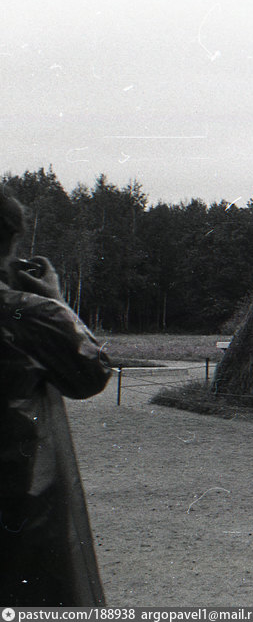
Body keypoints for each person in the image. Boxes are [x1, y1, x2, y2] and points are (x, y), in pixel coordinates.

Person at [0, 190, 111, 606]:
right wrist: (56, 301)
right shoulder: (26, 312)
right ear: (12, 241)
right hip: (22, 499)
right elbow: (92, 372)